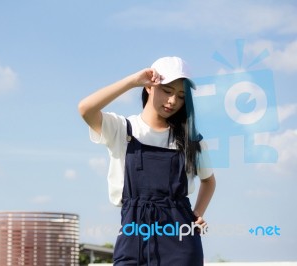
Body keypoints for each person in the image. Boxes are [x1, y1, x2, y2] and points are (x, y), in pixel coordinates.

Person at [78, 56, 216, 265]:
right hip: (133, 237)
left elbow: (209, 181)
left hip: (180, 241)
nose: (172, 101)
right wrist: (132, 81)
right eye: (167, 91)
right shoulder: (122, 129)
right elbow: (86, 109)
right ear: (149, 87)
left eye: (180, 96)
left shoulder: (190, 140)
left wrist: (196, 214)